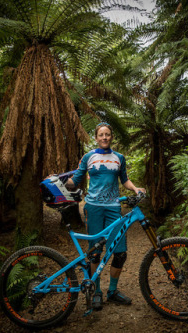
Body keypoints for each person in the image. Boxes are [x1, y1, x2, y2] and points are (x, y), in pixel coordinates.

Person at [66, 122, 145, 310]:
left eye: (107, 134)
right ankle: (97, 291)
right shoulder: (88, 157)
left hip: (113, 208)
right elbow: (75, 181)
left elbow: (124, 179)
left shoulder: (119, 158)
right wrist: (58, 181)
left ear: (111, 137)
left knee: (120, 253)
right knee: (95, 252)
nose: (104, 137)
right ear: (96, 137)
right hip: (93, 208)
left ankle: (112, 291)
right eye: (101, 134)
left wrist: (135, 188)